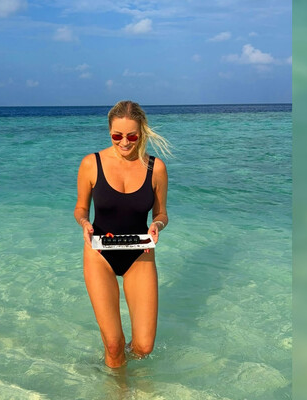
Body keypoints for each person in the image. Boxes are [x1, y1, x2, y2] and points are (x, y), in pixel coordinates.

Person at [74, 100, 170, 368]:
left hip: (140, 254)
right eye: (117, 136)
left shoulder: (156, 169)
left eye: (132, 136)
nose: (124, 142)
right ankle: (117, 383)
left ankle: (124, 371)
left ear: (141, 133)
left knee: (144, 347)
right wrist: (84, 222)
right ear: (109, 132)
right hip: (99, 253)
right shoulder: (91, 164)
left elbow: (162, 213)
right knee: (114, 344)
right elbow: (80, 208)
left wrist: (157, 226)